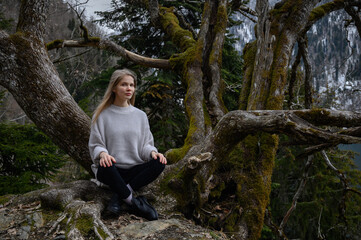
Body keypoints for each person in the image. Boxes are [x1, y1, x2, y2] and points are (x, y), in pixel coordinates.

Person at [89, 69, 167, 221]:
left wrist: (152, 152)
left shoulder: (140, 116)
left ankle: (120, 196)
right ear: (114, 88)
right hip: (111, 170)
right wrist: (103, 154)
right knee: (106, 166)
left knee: (159, 162)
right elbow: (96, 144)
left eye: (132, 85)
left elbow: (145, 145)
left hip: (134, 171)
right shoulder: (102, 114)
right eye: (124, 84)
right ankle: (134, 202)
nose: (129, 88)